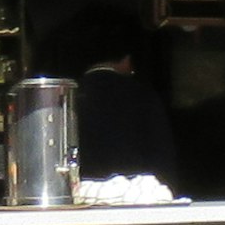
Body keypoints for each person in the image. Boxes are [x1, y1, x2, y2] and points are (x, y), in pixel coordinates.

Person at [68, 14, 177, 186]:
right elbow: (163, 158)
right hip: (137, 200)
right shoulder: (142, 96)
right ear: (128, 58)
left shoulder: (68, 98)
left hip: (83, 199)